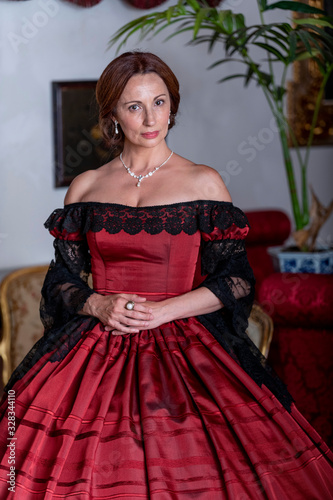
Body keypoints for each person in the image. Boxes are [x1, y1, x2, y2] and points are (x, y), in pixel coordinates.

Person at [0, 51, 332, 499]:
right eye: (134, 106)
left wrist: (163, 312)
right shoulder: (87, 186)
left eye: (159, 102)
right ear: (113, 115)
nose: (150, 117)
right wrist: (99, 304)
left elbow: (236, 279)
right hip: (98, 337)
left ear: (172, 105)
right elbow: (61, 280)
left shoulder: (203, 182)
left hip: (185, 340)